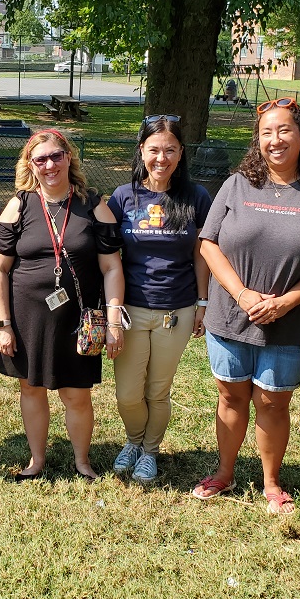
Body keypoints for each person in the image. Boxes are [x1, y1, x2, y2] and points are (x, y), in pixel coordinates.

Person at [192, 97, 300, 512]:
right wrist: (241, 293)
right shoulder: (236, 185)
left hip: (287, 322)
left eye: (284, 131)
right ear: (257, 140)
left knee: (273, 402)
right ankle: (224, 473)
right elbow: (208, 244)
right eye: (266, 133)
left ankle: (271, 483)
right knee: (230, 397)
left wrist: (288, 302)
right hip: (230, 316)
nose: (275, 140)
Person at [0, 129, 125, 481]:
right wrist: (3, 325)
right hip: (27, 318)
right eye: (40, 159)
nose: (49, 165)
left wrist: (113, 322)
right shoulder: (19, 205)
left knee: (76, 394)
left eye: (56, 156)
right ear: (30, 164)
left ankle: (82, 461)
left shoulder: (93, 204)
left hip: (77, 319)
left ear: (68, 157)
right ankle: (36, 461)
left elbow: (112, 268)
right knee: (30, 388)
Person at [107, 115, 212, 484]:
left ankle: (149, 450)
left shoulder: (196, 197)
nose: (161, 158)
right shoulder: (123, 196)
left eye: (170, 150)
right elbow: (107, 256)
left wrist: (202, 302)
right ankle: (133, 440)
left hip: (176, 310)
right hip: (131, 310)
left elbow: (202, 253)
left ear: (181, 153)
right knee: (127, 393)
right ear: (142, 151)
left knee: (157, 390)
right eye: (154, 150)